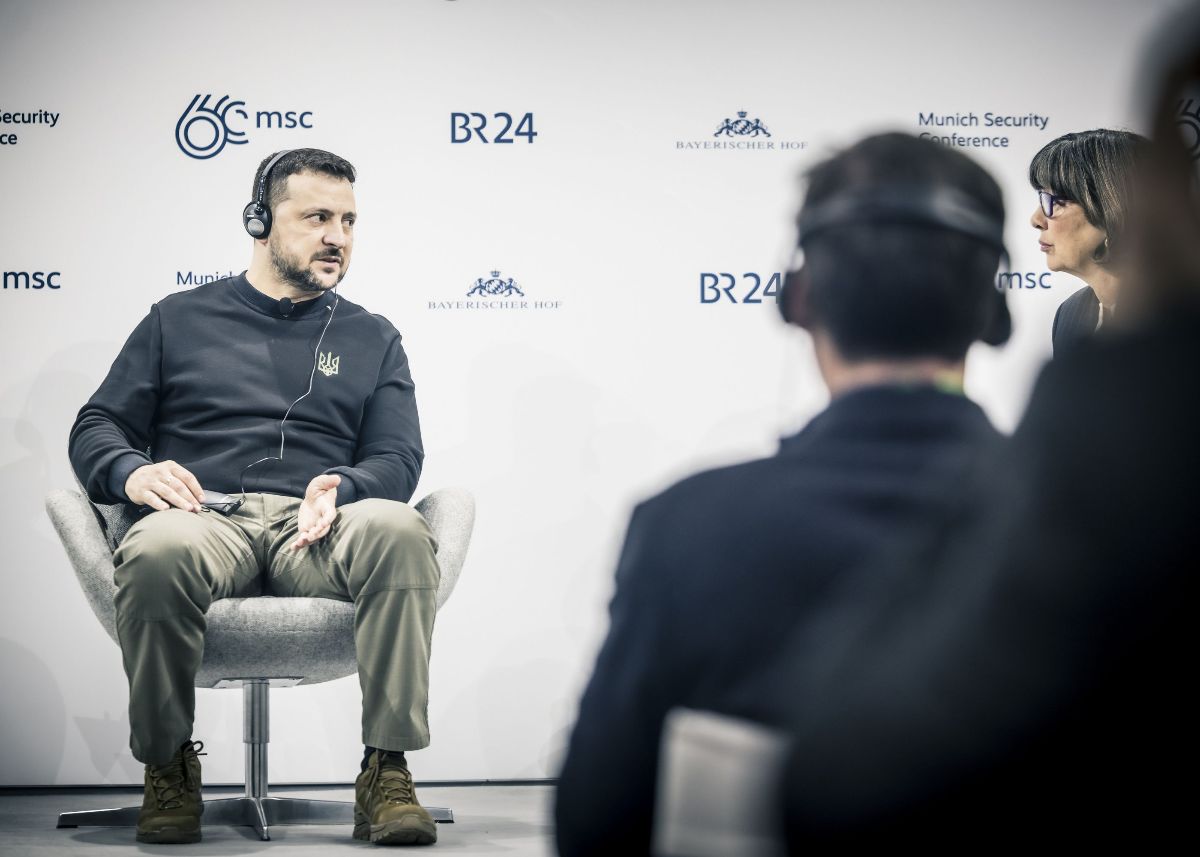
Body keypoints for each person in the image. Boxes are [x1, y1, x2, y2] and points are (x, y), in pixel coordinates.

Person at [777, 12, 1200, 849]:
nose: (1039, 220)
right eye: (1035, 201)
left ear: (1115, 204)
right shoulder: (1077, 323)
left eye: (1059, 200)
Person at [555, 133, 1014, 857]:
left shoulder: (686, 529)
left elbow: (597, 821)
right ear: (995, 311)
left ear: (796, 297)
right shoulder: (1106, 527)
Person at [69, 149, 441, 846]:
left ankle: (386, 770)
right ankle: (168, 764)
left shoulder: (373, 336)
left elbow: (398, 456)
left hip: (318, 527)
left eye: (350, 221)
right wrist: (129, 471)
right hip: (206, 518)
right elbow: (98, 424)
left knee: (398, 528)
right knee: (156, 548)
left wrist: (347, 486)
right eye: (318, 217)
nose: (338, 236)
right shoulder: (176, 319)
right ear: (261, 220)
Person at [1029, 129, 1148, 355]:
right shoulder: (1069, 315)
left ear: (1112, 209)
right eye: (1041, 199)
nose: (1036, 220)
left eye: (1055, 201)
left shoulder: (1183, 320)